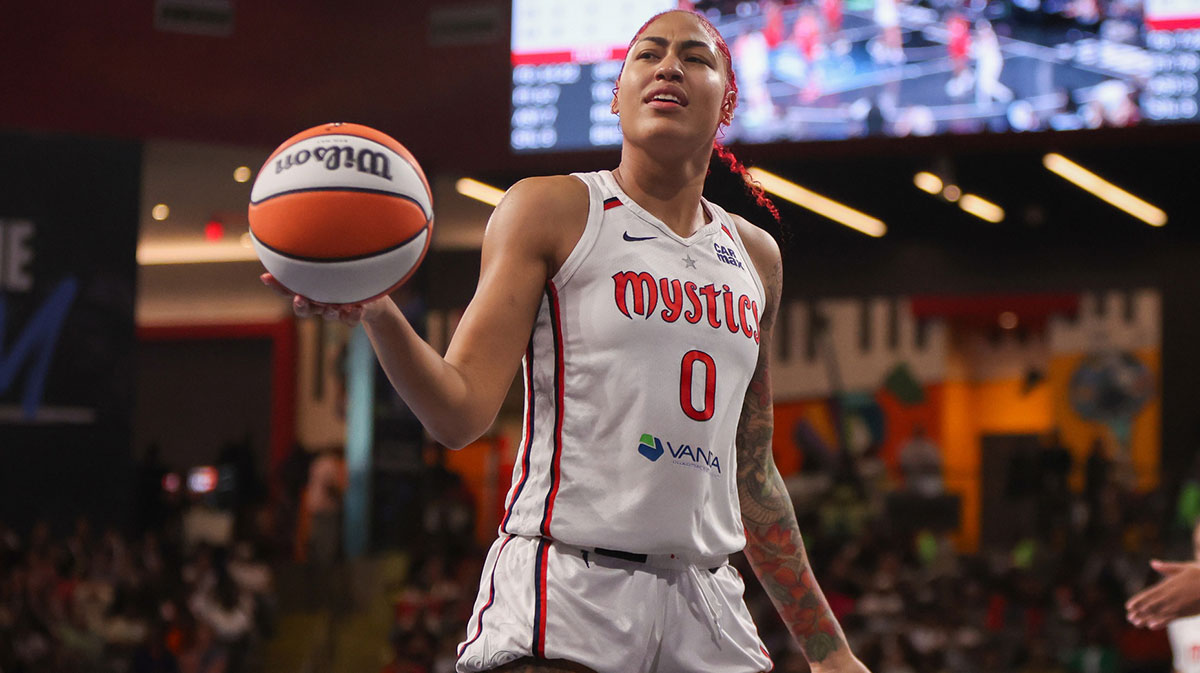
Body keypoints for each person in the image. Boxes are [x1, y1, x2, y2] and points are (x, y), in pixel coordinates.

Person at [264, 9, 869, 673]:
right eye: (649, 54)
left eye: (695, 57)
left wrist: (827, 648)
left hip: (707, 600)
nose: (669, 65)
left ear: (727, 101)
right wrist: (379, 313)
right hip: (567, 593)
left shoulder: (757, 256)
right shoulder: (549, 208)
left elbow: (753, 473)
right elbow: (460, 412)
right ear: (615, 95)